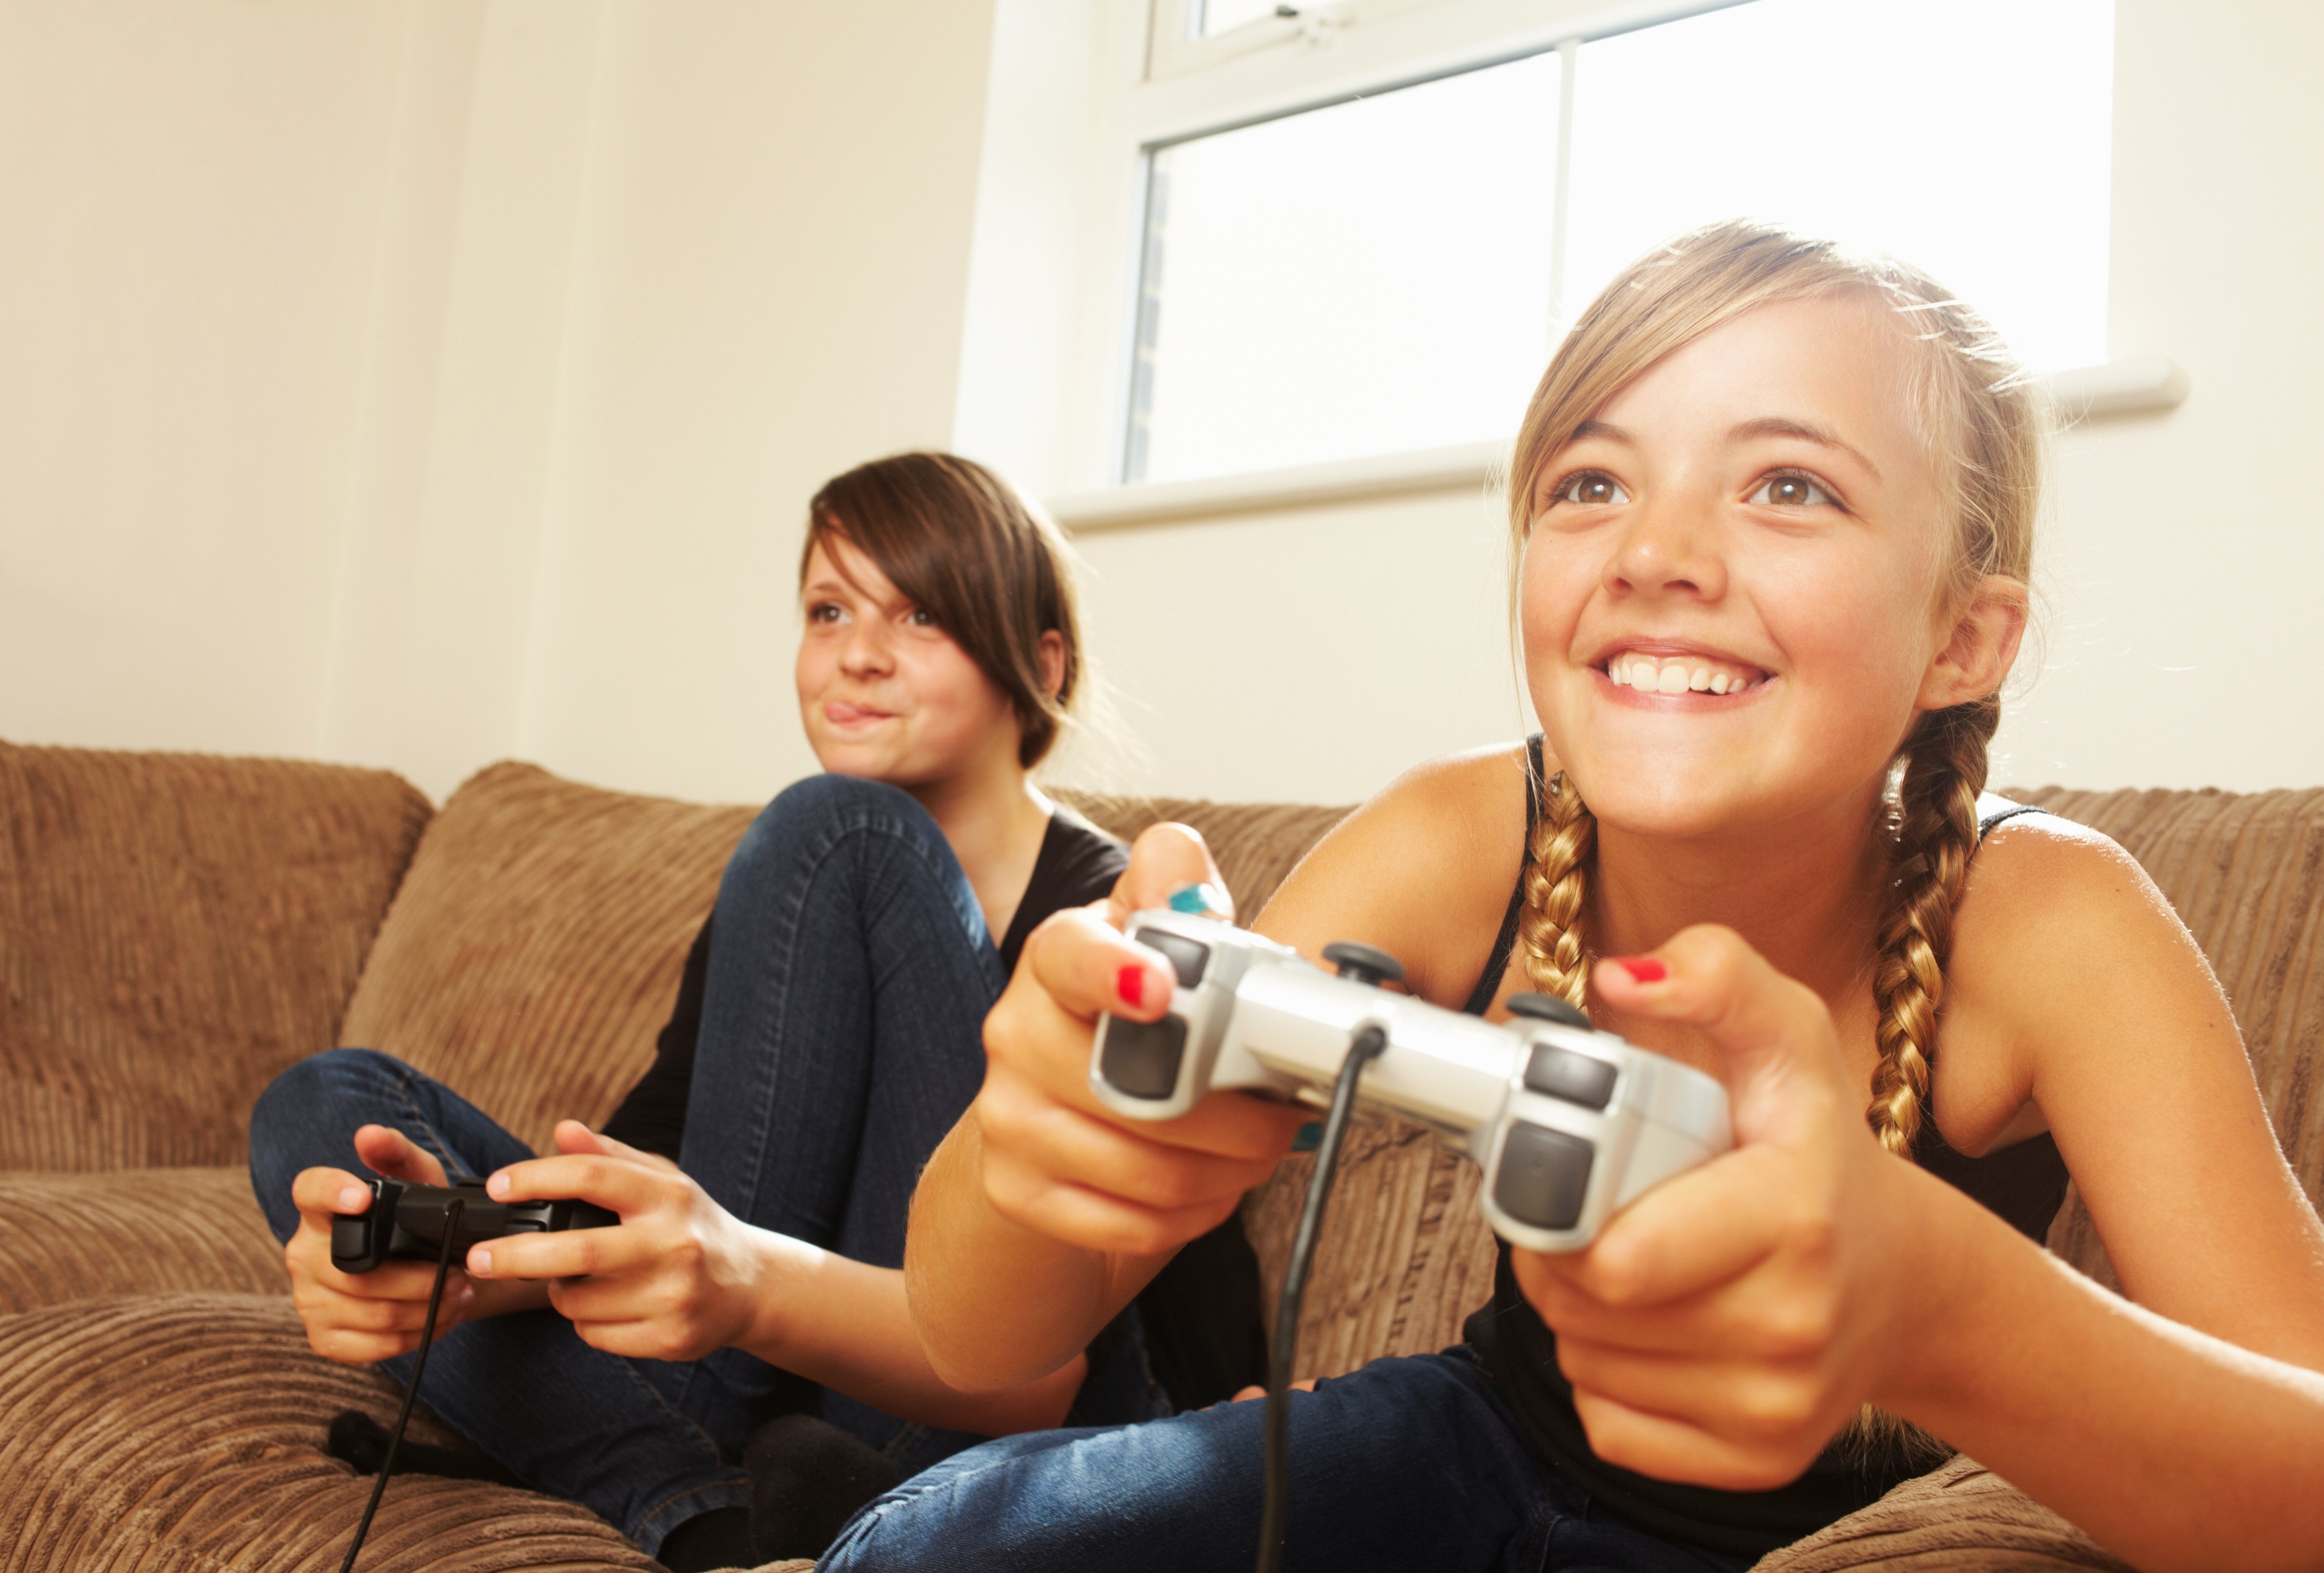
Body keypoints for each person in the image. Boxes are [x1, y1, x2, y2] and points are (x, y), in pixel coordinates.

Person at [844, 222, 2324, 1572]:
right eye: (1591, 483)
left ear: (1961, 636)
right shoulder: (1454, 834)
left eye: (1787, 486)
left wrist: (1944, 1310)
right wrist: (1034, 1143)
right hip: (1477, 1447)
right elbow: (982, 1335)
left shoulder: (2052, 918)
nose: (1654, 555)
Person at [248, 452, 1262, 1571]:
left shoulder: (1098, 908)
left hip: (989, 1392)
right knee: (320, 1103)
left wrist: (1234, 1425)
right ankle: (716, 1509)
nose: (857, 654)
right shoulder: (798, 894)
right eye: (828, 610)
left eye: (919, 613)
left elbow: (1157, 1271)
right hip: (760, 1377)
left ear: (1039, 660)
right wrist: (470, 1264)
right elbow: (664, 1169)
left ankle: (678, 1457)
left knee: (845, 830)